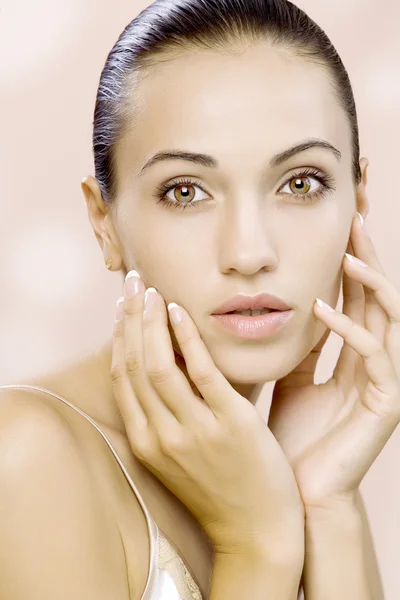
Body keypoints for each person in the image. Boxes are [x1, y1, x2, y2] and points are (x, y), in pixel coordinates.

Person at [1, 0, 398, 598]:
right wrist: (257, 545)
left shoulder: (296, 463)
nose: (249, 251)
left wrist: (325, 501)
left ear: (357, 199)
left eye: (300, 183)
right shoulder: (25, 457)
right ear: (103, 222)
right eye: (186, 191)